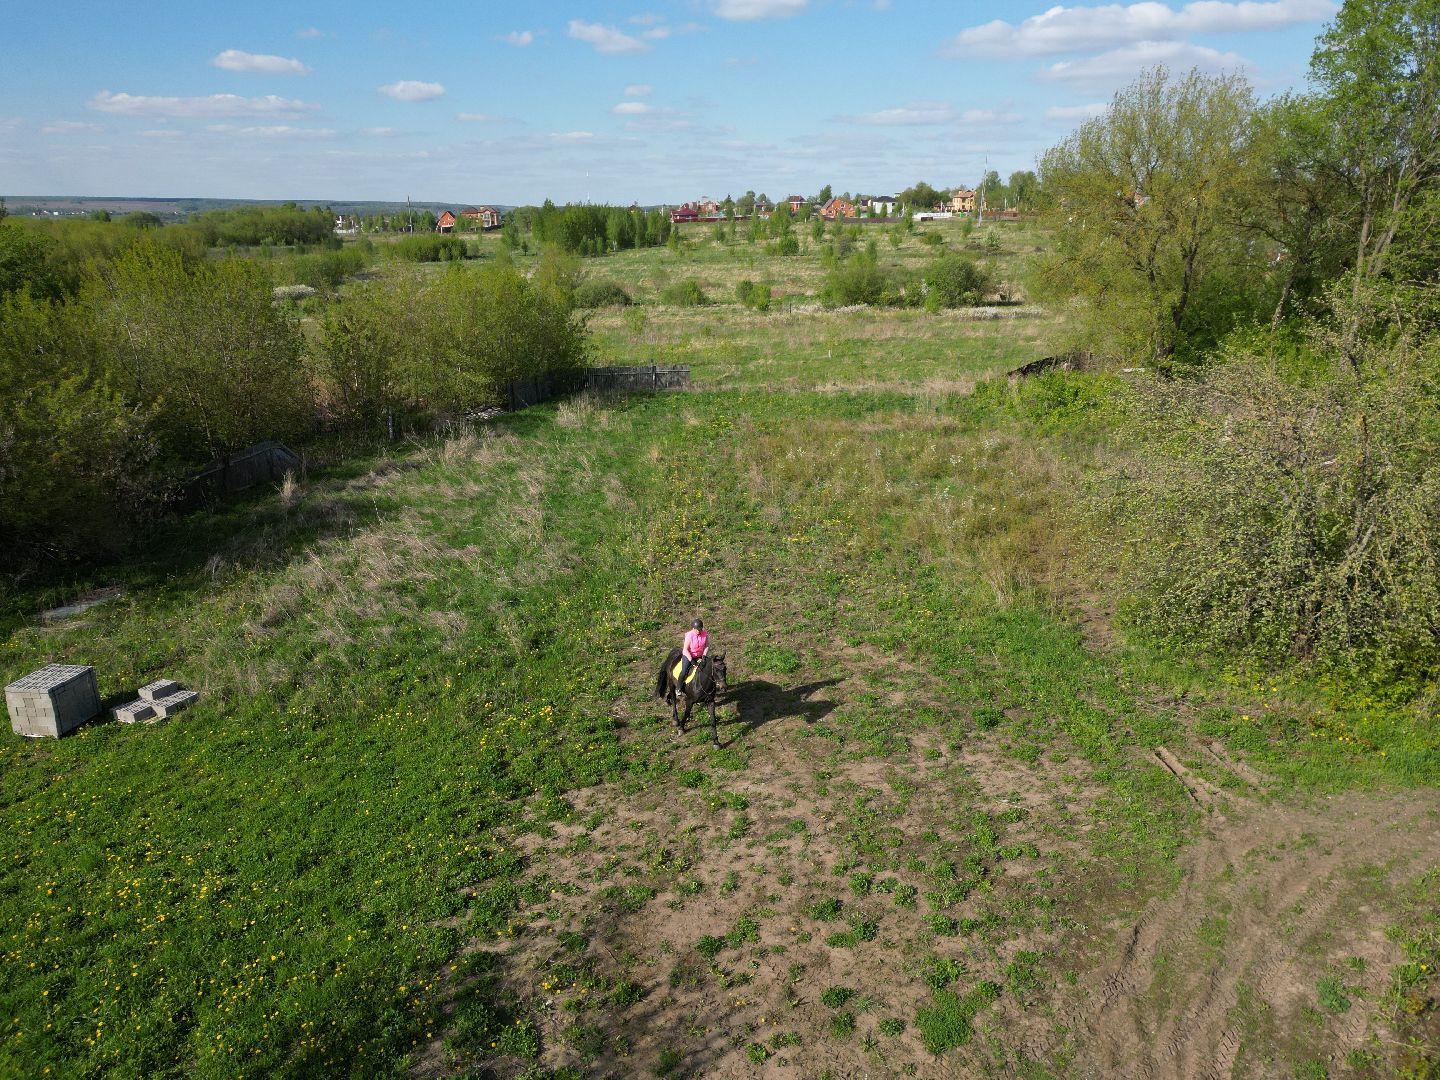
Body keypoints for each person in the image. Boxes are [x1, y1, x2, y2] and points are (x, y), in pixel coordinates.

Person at [678, 618, 709, 689]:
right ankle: (678, 687)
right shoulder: (689, 635)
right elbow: (685, 650)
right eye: (696, 629)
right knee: (684, 671)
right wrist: (691, 660)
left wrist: (704, 655)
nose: (698, 631)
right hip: (689, 656)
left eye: (700, 629)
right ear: (693, 628)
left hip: (700, 656)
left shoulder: (705, 634)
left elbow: (707, 646)